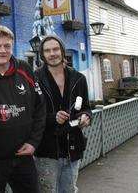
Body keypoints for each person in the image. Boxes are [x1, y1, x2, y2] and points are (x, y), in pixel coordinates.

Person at [0, 25, 46, 193]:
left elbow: (40, 107)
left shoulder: (24, 69)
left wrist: (33, 142)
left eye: (7, 46)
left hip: (23, 155)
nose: (2, 50)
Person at [34, 35, 91, 193]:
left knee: (69, 190)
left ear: (62, 51)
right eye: (47, 50)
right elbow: (31, 115)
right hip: (46, 150)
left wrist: (86, 116)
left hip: (72, 148)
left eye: (55, 49)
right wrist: (53, 118)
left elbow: (86, 107)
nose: (52, 53)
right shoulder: (35, 79)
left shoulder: (79, 78)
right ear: (42, 55)